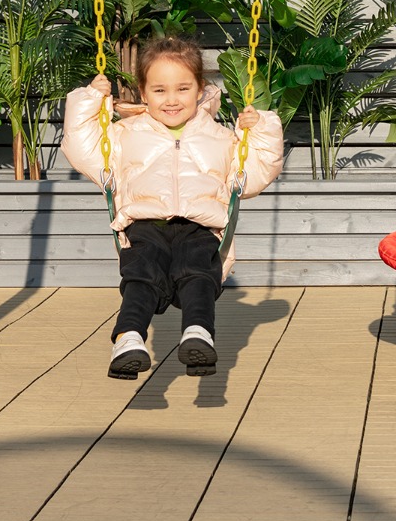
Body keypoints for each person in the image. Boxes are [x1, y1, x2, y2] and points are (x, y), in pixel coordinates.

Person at [62, 35, 283, 379]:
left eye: (182, 88)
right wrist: (90, 99)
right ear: (143, 92)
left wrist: (261, 132)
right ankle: (128, 338)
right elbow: (80, 145)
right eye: (159, 90)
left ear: (199, 89)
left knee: (199, 275)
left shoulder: (221, 137)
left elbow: (252, 177)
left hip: (200, 227)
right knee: (141, 276)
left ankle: (198, 334)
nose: (171, 100)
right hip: (144, 224)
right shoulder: (123, 134)